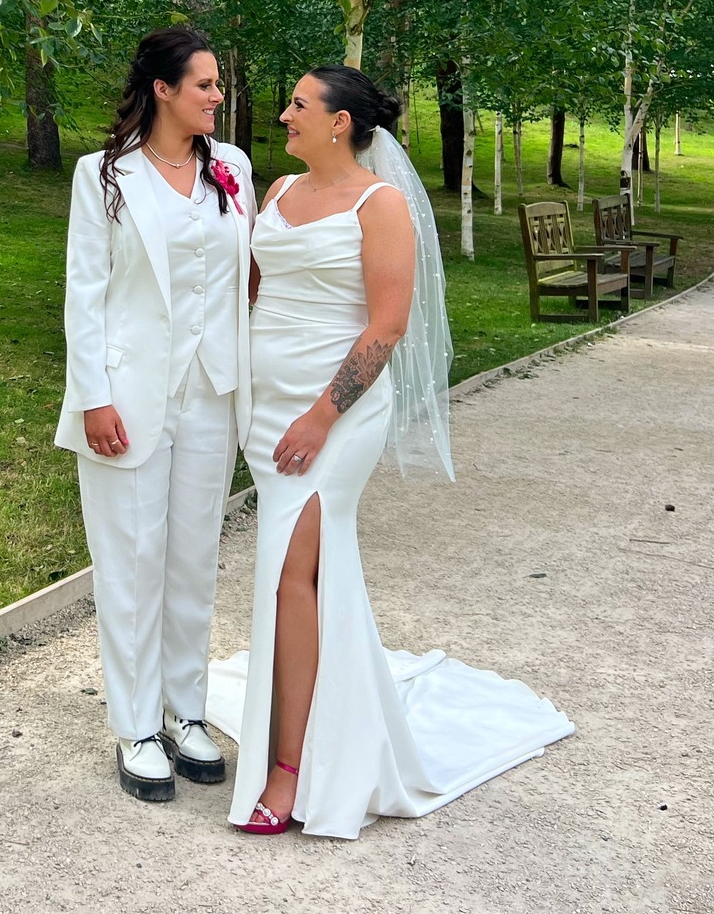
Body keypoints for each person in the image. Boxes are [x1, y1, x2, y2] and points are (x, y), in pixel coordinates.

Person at [206, 66, 573, 837]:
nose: (283, 114)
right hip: (263, 409)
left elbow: (386, 328)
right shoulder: (276, 193)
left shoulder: (383, 206)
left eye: (299, 105)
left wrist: (319, 417)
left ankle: (290, 772)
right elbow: (251, 295)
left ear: (340, 122)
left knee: (289, 576)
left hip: (334, 415)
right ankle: (332, 722)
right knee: (301, 577)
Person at [56, 27, 256, 802]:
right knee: (131, 561)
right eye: (203, 84)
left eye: (217, 84)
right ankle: (136, 726)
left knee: (192, 559)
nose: (217, 95)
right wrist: (94, 397)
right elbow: (85, 292)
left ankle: (187, 712)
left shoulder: (232, 168)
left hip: (212, 390)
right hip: (130, 394)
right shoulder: (103, 175)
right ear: (164, 89)